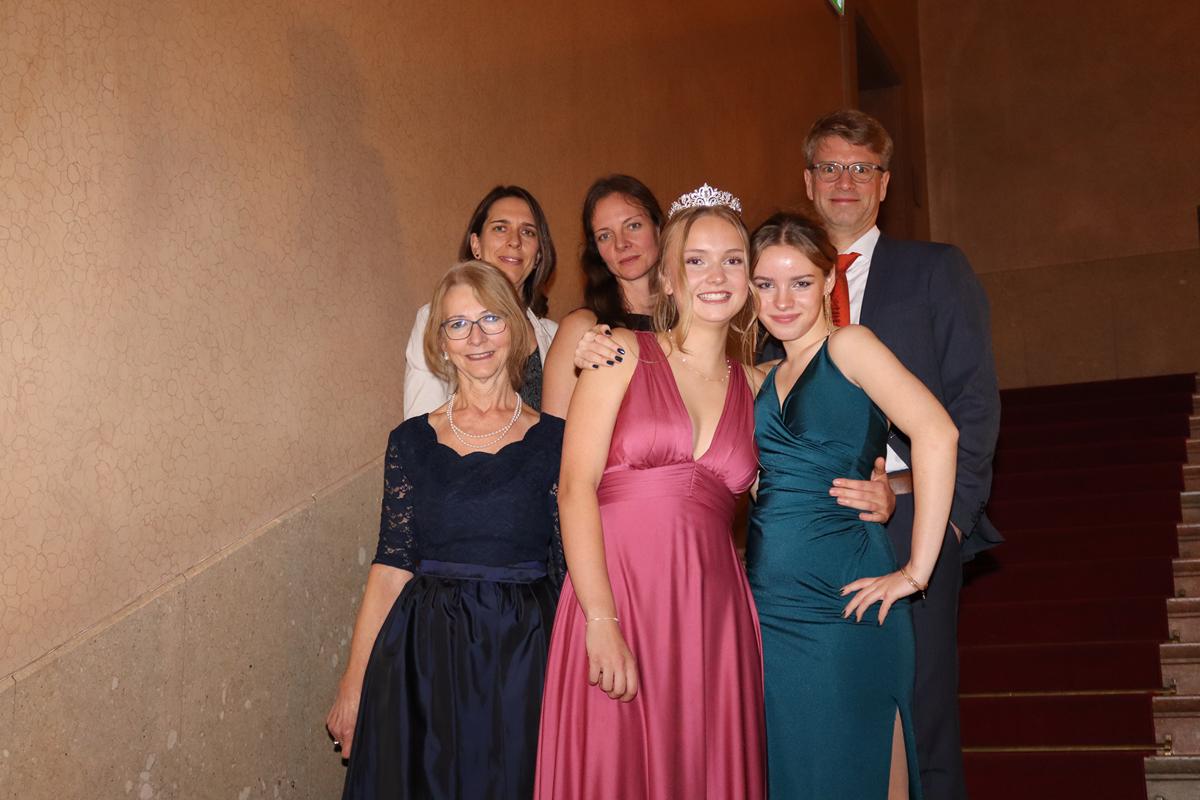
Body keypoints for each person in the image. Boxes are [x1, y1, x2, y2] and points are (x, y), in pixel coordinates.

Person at [773, 109, 1002, 799]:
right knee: (831, 717)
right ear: (808, 182)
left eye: (862, 168)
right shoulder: (778, 289)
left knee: (921, 715)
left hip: (913, 523)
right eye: (831, 167)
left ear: (884, 183)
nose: (845, 181)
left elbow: (973, 402)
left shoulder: (936, 270)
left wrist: (949, 523)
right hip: (810, 541)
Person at [535, 189, 765, 799]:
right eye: (696, 260)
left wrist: (878, 485)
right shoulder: (617, 353)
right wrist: (600, 618)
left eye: (733, 260)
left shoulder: (757, 386)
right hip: (618, 595)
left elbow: (797, 485)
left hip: (712, 615)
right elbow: (573, 488)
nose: (716, 276)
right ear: (667, 276)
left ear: (751, 277)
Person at [328, 261, 566, 799]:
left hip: (526, 657)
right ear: (440, 342)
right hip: (425, 660)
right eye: (457, 324)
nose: (476, 338)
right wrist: (353, 683)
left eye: (490, 318)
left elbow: (570, 566)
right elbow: (391, 566)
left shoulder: (558, 441)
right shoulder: (409, 442)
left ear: (516, 329)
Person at [747, 212, 959, 798]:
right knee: (796, 775)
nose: (782, 300)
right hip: (770, 606)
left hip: (844, 594)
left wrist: (916, 572)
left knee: (860, 766)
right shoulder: (760, 376)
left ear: (827, 282)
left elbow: (938, 433)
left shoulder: (850, 346)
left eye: (800, 282)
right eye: (766, 284)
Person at [404, 185, 559, 418]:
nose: (515, 241)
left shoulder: (557, 336)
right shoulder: (436, 320)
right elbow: (421, 427)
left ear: (538, 255)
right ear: (476, 245)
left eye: (528, 232)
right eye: (500, 228)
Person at [541, 175, 664, 416]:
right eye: (605, 236)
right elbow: (554, 434)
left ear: (658, 228)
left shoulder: (691, 323)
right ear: (596, 250)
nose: (621, 244)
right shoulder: (581, 329)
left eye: (633, 226)